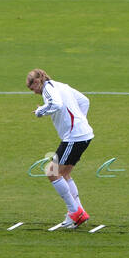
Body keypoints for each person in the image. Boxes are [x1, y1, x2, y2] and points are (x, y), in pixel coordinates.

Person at [27, 68, 94, 228]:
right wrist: (80, 121)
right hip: (81, 135)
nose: (34, 92)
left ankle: (74, 213)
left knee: (52, 172)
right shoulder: (61, 85)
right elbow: (84, 101)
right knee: (64, 174)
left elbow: (56, 104)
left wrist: (40, 111)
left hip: (74, 136)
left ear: (37, 82)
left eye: (32, 88)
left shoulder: (48, 89)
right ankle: (79, 212)